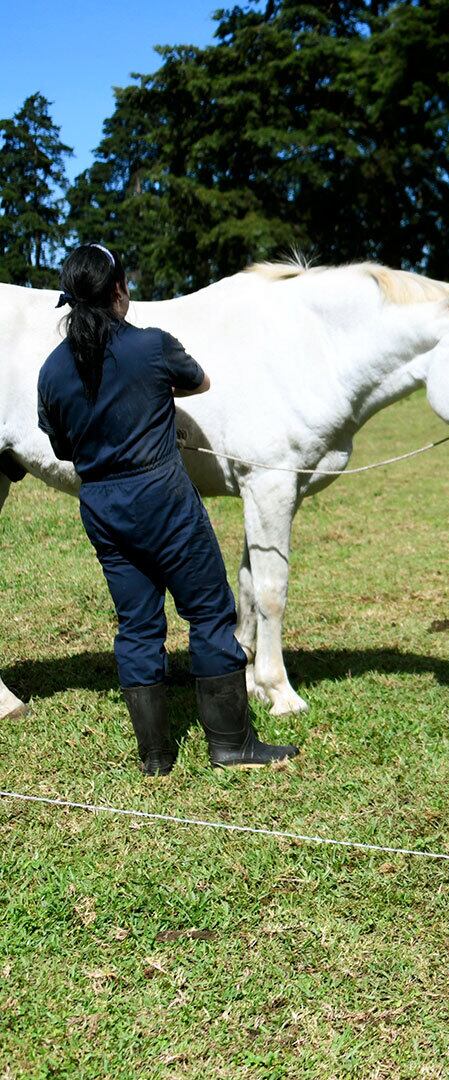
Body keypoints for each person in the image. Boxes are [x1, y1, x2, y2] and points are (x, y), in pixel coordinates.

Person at [36, 244, 299, 775]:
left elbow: (62, 448)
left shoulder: (51, 370)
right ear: (119, 292)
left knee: (137, 625)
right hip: (163, 499)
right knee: (207, 611)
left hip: (102, 506)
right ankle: (231, 743)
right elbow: (200, 382)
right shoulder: (152, 346)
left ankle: (155, 755)